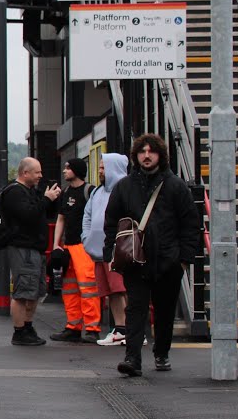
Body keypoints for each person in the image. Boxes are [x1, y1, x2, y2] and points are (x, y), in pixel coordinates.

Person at [103, 134, 201, 377]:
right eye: (142, 152)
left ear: (161, 155)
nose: (147, 156)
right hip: (134, 260)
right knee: (135, 308)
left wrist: (184, 260)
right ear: (136, 156)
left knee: (165, 309)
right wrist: (110, 252)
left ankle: (161, 352)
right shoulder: (124, 186)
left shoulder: (175, 186)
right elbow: (110, 221)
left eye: (152, 151)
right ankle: (132, 358)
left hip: (169, 261)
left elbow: (190, 224)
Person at [1, 157, 62, 346]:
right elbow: (28, 215)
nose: (40, 176)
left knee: (34, 291)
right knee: (23, 291)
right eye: (37, 172)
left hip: (35, 249)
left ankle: (27, 327)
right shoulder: (14, 193)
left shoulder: (30, 192)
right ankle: (19, 332)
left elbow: (40, 212)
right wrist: (45, 199)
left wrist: (49, 200)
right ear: (25, 173)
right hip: (23, 249)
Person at [49, 158, 102, 343]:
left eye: (68, 168)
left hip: (84, 247)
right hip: (69, 246)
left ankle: (92, 328)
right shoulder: (65, 192)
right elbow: (61, 218)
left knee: (88, 287)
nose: (64, 171)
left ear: (77, 171)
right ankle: (73, 326)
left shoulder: (90, 191)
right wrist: (57, 244)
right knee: (69, 287)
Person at [81, 153, 130, 346]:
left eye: (103, 168)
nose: (100, 171)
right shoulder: (97, 192)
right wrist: (87, 239)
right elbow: (87, 216)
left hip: (119, 251)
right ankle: (120, 330)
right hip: (99, 251)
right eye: (100, 168)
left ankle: (131, 330)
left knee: (122, 289)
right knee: (111, 292)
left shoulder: (125, 190)